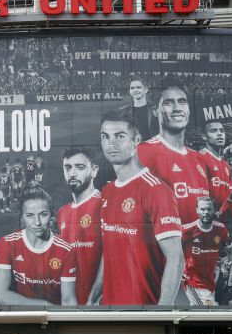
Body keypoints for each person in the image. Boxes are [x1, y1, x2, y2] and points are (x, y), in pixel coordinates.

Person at [89, 109, 184, 306]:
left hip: (144, 313)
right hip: (111, 310)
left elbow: (176, 258)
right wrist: (93, 297)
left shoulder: (156, 190)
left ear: (136, 140)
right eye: (105, 137)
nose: (111, 143)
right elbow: (109, 251)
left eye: (120, 136)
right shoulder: (108, 191)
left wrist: (162, 314)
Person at [137, 86, 210, 225]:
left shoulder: (199, 158)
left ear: (188, 109)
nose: (177, 108)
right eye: (168, 103)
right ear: (156, 111)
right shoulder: (144, 151)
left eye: (182, 102)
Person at [0, 187, 77, 305]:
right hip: (24, 316)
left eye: (43, 214)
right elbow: (1, 297)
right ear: (22, 217)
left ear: (51, 214)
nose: (37, 222)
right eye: (30, 215)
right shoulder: (7, 243)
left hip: (54, 317)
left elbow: (68, 301)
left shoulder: (65, 250)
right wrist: (45, 306)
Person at [56, 146, 103, 305]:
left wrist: (94, 297)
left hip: (98, 306)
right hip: (71, 306)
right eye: (68, 168)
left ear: (94, 170)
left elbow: (113, 258)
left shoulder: (105, 205)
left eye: (80, 167)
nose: (72, 173)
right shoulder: (63, 212)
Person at [182, 197, 230, 306]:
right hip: (193, 282)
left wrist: (225, 263)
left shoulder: (221, 229)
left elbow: (228, 249)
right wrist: (178, 269)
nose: (206, 212)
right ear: (197, 210)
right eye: (202, 209)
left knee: (199, 315)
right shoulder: (187, 230)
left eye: (209, 209)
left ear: (214, 210)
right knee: (209, 310)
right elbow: (173, 251)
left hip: (210, 282)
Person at [199, 122, 232, 209]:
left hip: (225, 219)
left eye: (222, 131)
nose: (219, 134)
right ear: (204, 136)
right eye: (213, 131)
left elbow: (230, 197)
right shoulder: (199, 158)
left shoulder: (227, 166)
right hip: (208, 218)